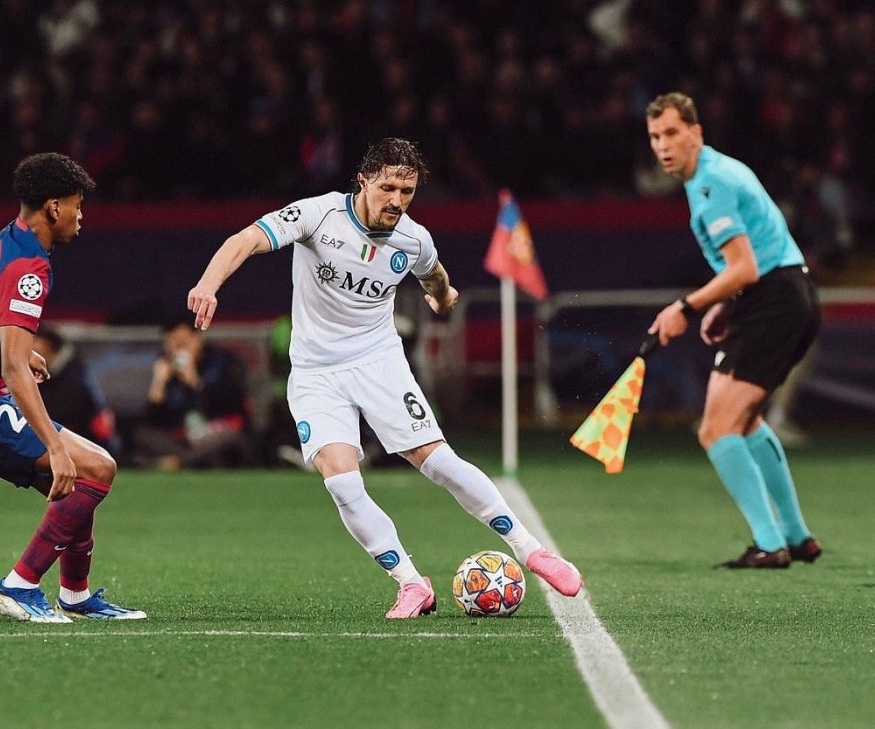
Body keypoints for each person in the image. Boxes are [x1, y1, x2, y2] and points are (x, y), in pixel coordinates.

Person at [187, 138, 583, 618]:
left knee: (438, 463)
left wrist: (443, 298)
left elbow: (434, 274)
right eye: (388, 188)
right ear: (363, 182)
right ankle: (412, 584)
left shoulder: (413, 239)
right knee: (341, 483)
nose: (397, 200)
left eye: (407, 191)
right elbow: (245, 240)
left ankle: (532, 551)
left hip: (379, 363)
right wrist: (208, 284)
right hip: (315, 373)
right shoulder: (318, 215)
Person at [0, 152, 145, 622]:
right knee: (94, 467)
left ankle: (76, 596)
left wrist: (20, 353)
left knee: (83, 480)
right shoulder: (29, 266)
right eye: (77, 205)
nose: (82, 216)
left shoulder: (12, 238)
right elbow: (13, 370)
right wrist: (54, 446)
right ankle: (18, 586)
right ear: (54, 207)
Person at [645, 92, 822, 569]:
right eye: (655, 137)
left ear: (696, 132)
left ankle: (770, 543)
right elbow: (752, 259)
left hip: (773, 301)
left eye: (672, 133)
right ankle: (796, 536)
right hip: (788, 294)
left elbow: (744, 268)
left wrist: (685, 307)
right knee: (744, 422)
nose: (663, 146)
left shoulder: (711, 183)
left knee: (715, 429)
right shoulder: (717, 172)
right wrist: (724, 304)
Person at [131, 315, 251, 469]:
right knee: (142, 435)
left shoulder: (221, 362)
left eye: (183, 343)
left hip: (216, 433)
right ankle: (191, 461)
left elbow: (233, 402)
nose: (179, 350)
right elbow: (153, 422)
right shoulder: (163, 366)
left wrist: (196, 382)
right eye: (173, 344)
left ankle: (178, 463)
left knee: (230, 437)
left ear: (198, 339)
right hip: (183, 439)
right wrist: (158, 386)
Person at [31, 326, 119, 455]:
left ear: (50, 348)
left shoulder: (73, 381)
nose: (31, 356)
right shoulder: (55, 374)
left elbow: (58, 417)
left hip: (87, 445)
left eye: (37, 351)